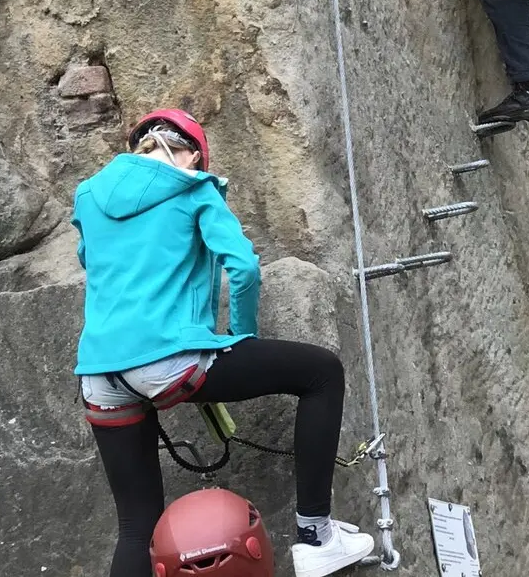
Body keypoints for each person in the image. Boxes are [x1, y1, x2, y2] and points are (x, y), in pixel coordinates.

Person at [71, 108, 375, 577]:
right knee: (321, 373)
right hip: (169, 359)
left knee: (136, 526)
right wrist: (240, 339)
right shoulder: (194, 189)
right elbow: (244, 268)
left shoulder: (88, 196)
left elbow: (92, 260)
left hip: (100, 375)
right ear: (192, 154)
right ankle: (316, 536)